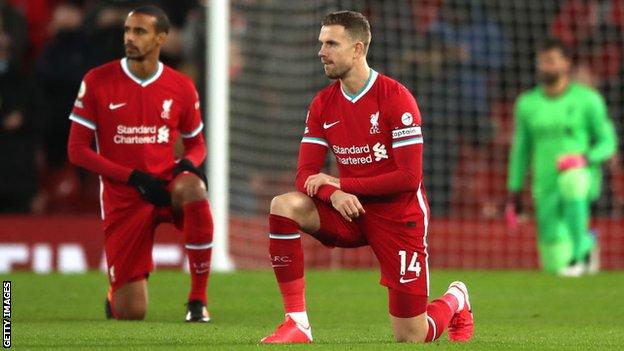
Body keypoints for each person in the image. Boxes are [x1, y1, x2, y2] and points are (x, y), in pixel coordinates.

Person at [260, 11, 473, 344]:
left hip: (398, 217)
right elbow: (305, 174)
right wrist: (334, 195)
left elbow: (408, 177)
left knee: (412, 336)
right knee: (284, 205)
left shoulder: (396, 98)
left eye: (331, 43)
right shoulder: (322, 104)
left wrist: (341, 184)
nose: (322, 52)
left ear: (358, 49)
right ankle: (297, 323)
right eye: (321, 43)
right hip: (350, 211)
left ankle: (456, 298)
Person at [67, 5, 213, 322]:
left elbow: (197, 144)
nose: (129, 38)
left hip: (166, 185)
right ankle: (115, 292)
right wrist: (132, 177)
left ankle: (197, 301)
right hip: (124, 196)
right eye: (127, 30)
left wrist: (185, 166)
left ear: (161, 37)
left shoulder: (181, 86)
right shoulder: (97, 81)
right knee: (131, 313)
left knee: (194, 188)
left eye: (139, 31)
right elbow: (77, 150)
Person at [506, 39, 617, 277]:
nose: (546, 67)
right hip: (544, 183)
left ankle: (581, 250)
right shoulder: (527, 104)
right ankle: (586, 241)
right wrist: (514, 191)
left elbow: (608, 142)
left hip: (582, 176)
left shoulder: (588, 100)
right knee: (555, 265)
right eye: (543, 62)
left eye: (552, 61)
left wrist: (585, 159)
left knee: (571, 179)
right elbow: (521, 150)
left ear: (566, 64)